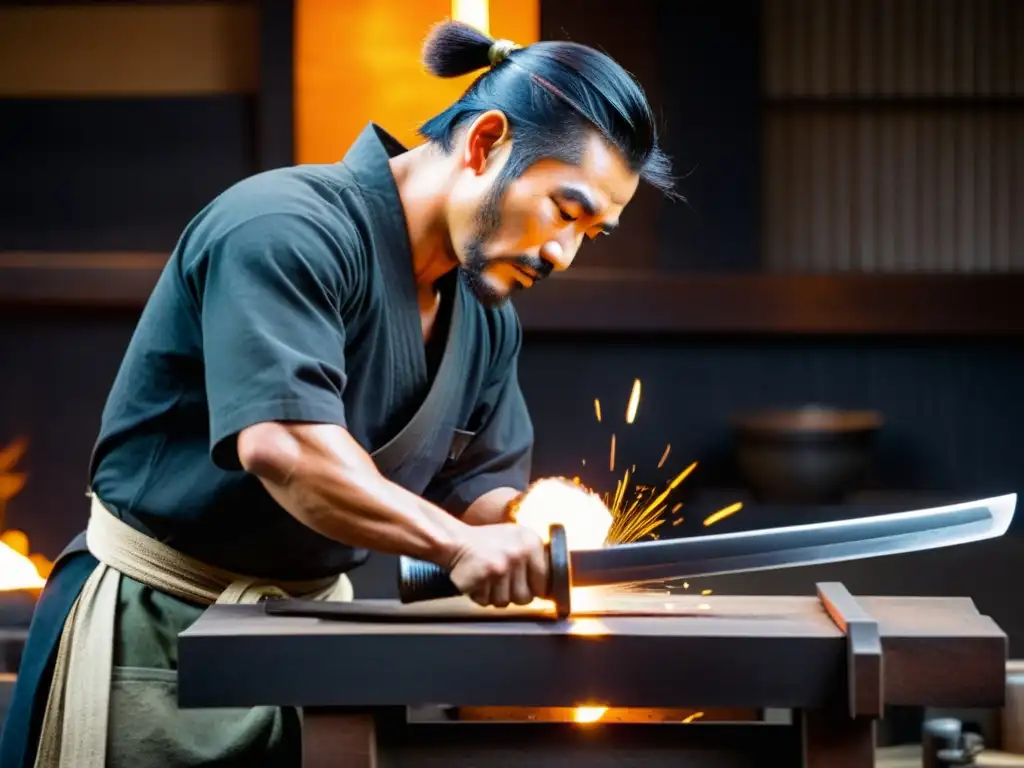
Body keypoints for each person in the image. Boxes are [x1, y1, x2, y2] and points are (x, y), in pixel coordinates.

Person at [0, 20, 677, 768]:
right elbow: (285, 446)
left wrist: (532, 539)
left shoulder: (486, 319)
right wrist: (458, 546)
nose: (563, 254)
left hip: (314, 641)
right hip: (160, 631)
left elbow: (476, 494)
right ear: (486, 143)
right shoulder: (284, 227)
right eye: (565, 210)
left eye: (593, 234)